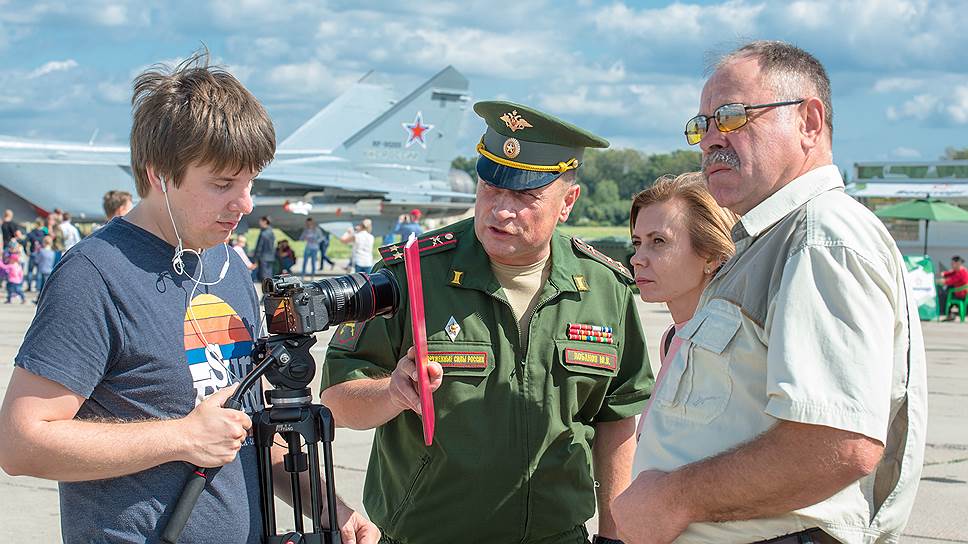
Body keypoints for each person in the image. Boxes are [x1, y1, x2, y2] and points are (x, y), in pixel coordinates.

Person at [0, 51, 378, 544]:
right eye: (222, 184)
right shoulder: (94, 276)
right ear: (158, 173)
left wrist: (334, 510)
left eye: (249, 182)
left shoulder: (226, 266)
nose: (244, 203)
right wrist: (182, 437)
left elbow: (247, 431)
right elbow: (20, 441)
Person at [612, 40, 927, 544]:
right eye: (702, 125)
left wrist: (675, 498)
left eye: (733, 117)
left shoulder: (821, 237)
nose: (710, 140)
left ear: (809, 121)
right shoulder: (772, 242)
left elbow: (837, 442)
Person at [320, 100, 654, 544]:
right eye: (490, 187)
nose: (500, 209)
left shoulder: (604, 287)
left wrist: (614, 537)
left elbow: (617, 418)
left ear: (567, 201)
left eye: (524, 195)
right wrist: (392, 393)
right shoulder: (413, 274)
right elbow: (335, 400)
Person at [628, 172, 736, 432]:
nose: (637, 259)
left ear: (711, 256)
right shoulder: (672, 338)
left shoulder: (737, 346)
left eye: (658, 242)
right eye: (637, 243)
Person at [938, 255, 968, 320]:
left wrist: (943, 281)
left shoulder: (962, 272)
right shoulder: (959, 270)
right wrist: (943, 274)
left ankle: (946, 313)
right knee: (947, 291)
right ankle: (950, 314)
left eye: (952, 263)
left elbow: (952, 280)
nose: (951, 265)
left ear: (957, 264)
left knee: (944, 295)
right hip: (958, 292)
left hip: (961, 294)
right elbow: (950, 273)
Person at [253, 215, 276, 282]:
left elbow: (259, 247)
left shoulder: (263, 233)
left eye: (260, 221)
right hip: (271, 257)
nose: (259, 223)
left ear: (265, 221)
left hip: (263, 257)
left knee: (264, 276)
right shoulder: (271, 232)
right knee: (269, 275)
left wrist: (255, 258)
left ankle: (266, 291)